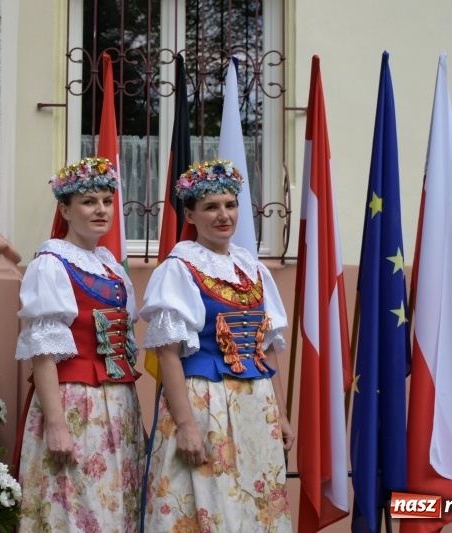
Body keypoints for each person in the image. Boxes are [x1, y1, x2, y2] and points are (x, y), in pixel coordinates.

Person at [140, 159, 294, 532]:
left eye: (230, 204)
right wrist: (186, 426)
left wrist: (282, 414)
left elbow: (265, 349)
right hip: (205, 404)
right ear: (190, 215)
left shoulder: (254, 269)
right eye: (211, 207)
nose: (223, 215)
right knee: (207, 504)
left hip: (256, 407)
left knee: (256, 508)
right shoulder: (178, 269)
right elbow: (168, 354)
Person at [14, 157, 145, 532]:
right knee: (75, 503)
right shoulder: (51, 263)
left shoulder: (110, 266)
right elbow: (43, 353)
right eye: (89, 202)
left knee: (116, 504)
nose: (101, 209)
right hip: (75, 402)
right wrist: (56, 425)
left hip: (118, 403)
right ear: (65, 210)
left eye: (107, 201)